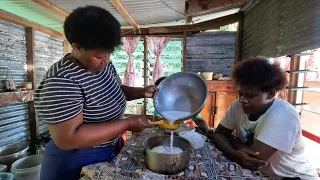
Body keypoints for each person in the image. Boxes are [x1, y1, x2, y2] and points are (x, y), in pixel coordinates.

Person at [33, 6, 155, 180]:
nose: (106, 61)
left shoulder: (102, 65)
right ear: (77, 48)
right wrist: (127, 124)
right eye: (99, 57)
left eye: (109, 54)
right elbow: (69, 138)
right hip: (75, 160)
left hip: (107, 149)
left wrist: (142, 91)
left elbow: (114, 91)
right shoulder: (62, 81)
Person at [209, 57, 318, 179]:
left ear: (271, 94)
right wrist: (233, 152)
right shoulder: (238, 105)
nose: (242, 100)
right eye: (240, 93)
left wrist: (232, 140)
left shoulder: (284, 115)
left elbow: (253, 161)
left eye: (250, 95)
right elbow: (218, 134)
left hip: (294, 177)